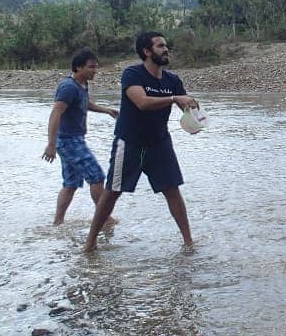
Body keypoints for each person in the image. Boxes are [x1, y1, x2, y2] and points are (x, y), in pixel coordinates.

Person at [84, 31, 199, 251]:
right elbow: (142, 102)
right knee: (112, 191)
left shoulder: (172, 80)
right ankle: (90, 243)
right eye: (160, 46)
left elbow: (184, 108)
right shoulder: (132, 74)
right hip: (130, 142)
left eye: (166, 46)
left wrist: (192, 113)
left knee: (172, 190)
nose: (166, 50)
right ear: (146, 51)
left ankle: (188, 242)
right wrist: (175, 98)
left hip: (159, 143)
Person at [42, 49, 118, 225]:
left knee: (71, 183)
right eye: (91, 67)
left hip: (74, 140)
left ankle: (57, 223)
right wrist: (51, 145)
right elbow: (55, 113)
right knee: (97, 176)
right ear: (78, 67)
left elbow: (85, 103)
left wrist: (106, 110)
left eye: (96, 67)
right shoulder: (68, 87)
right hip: (68, 141)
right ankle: (105, 219)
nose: (95, 71)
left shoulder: (81, 85)